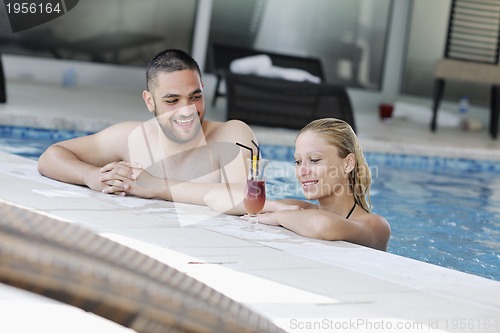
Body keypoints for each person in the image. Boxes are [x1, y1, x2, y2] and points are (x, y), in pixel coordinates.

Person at [38, 49, 255, 212]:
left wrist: (155, 187)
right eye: (172, 100)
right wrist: (92, 176)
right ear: (149, 101)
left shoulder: (232, 134)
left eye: (195, 97)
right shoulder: (132, 138)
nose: (187, 110)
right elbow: (51, 157)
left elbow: (247, 197)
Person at [242, 118, 390, 251]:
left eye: (314, 160)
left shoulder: (375, 225)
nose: (302, 171)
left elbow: (322, 225)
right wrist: (273, 207)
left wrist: (277, 217)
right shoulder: (300, 209)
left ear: (348, 163)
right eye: (298, 162)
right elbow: (224, 200)